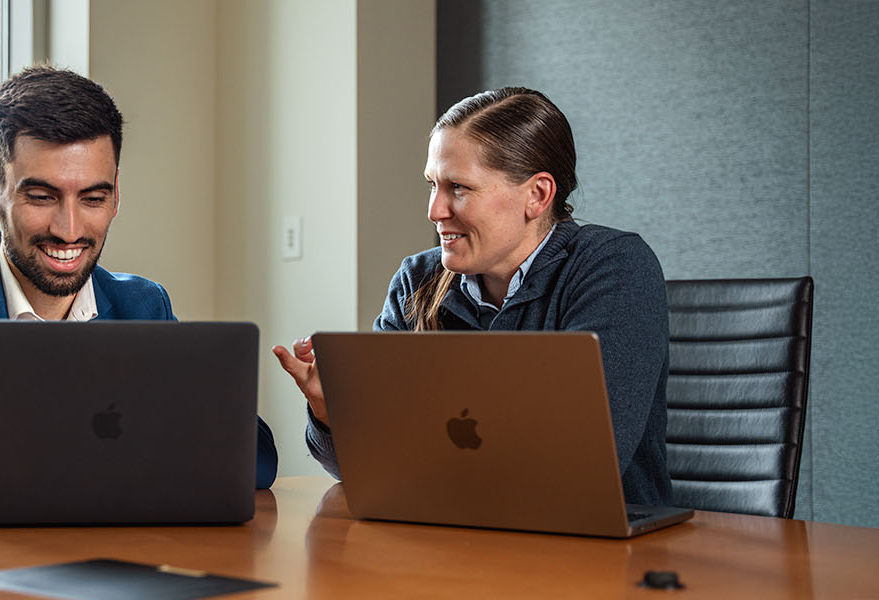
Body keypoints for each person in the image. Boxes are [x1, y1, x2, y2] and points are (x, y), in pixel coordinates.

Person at [0, 65, 277, 511]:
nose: (69, 228)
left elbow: (251, 458)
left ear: (116, 195)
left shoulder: (142, 304)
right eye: (41, 196)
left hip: (106, 573)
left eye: (93, 198)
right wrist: (87, 441)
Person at [273, 87, 670, 505]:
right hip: (449, 538)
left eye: (458, 188)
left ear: (536, 195)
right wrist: (334, 416)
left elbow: (581, 462)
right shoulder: (417, 280)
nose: (435, 210)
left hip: (590, 548)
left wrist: (410, 443)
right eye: (432, 185)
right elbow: (365, 469)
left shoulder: (615, 267)